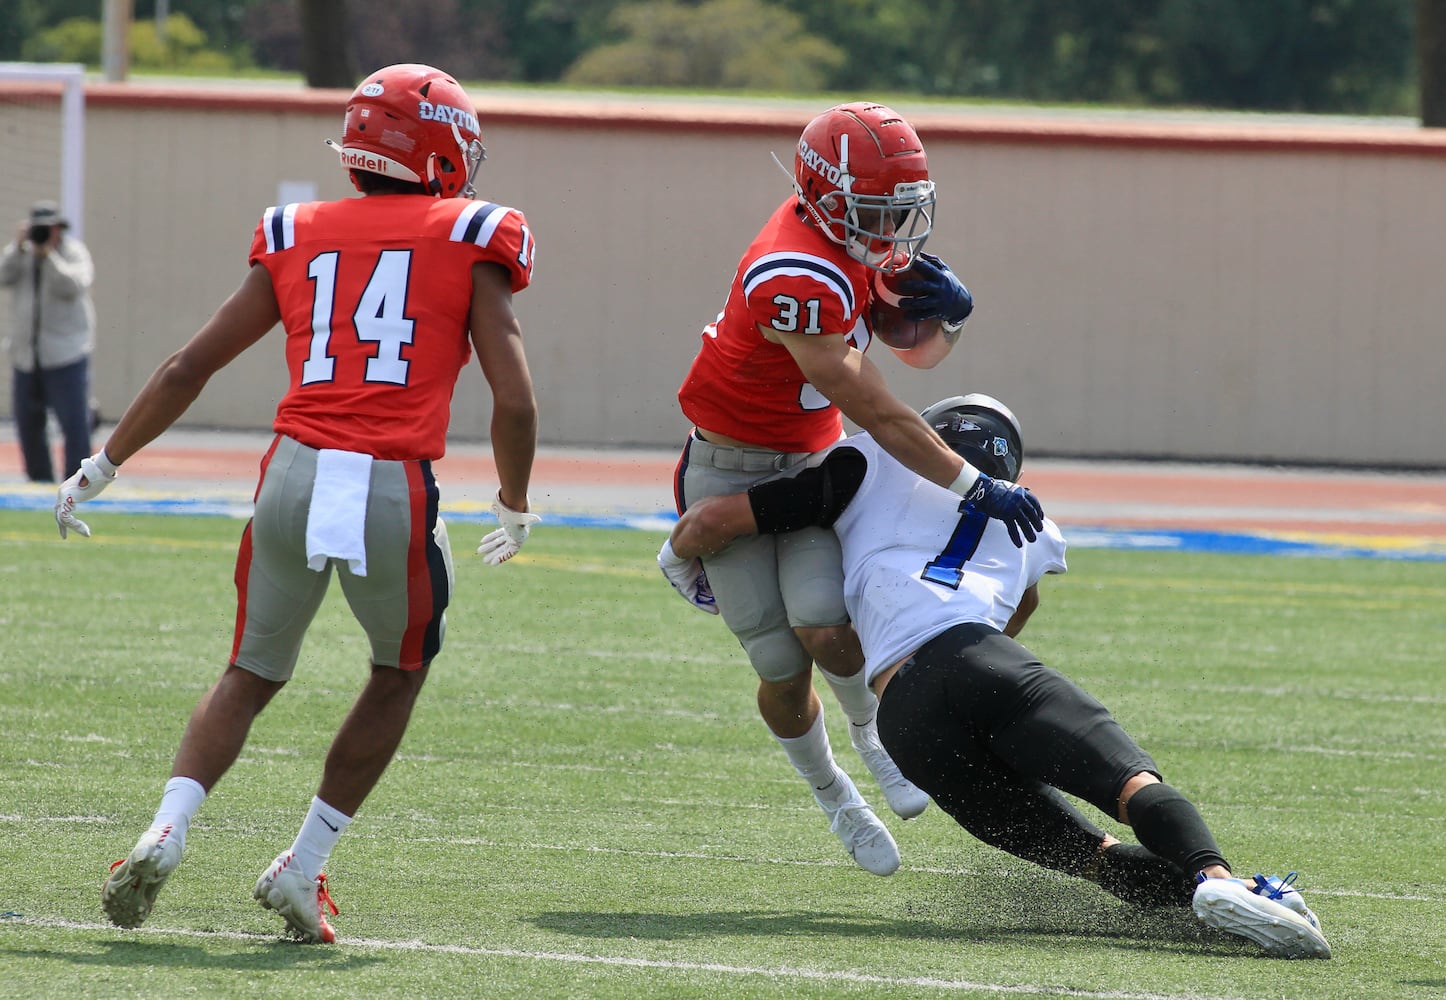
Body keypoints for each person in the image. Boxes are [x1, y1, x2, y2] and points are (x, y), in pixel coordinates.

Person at [55, 63, 542, 943]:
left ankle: (166, 827)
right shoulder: (475, 231)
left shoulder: (295, 230)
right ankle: (304, 865)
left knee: (249, 670)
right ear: (439, 152)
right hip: (390, 481)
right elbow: (514, 399)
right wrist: (513, 500)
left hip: (290, 471)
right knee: (398, 671)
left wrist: (104, 462)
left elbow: (185, 367)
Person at [662, 393, 1332, 960]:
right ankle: (1216, 876)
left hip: (904, 718)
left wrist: (680, 556)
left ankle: (1223, 910)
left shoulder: (868, 460)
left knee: (1091, 857)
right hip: (979, 657)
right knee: (1130, 786)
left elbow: (717, 520)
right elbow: (1024, 605)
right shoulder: (1035, 525)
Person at [664, 101, 1043, 876]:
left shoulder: (841, 238)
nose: (891, 227)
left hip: (808, 467)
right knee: (778, 661)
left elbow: (915, 357)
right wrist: (972, 485)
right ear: (829, 196)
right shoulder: (794, 270)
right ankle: (834, 792)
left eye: (898, 208)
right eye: (876, 209)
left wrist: (950, 321)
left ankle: (873, 737)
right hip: (729, 463)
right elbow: (876, 405)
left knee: (826, 619)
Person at [1, 200, 97, 482]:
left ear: (59, 229)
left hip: (65, 354)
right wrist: (19, 248)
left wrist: (48, 256)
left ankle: (76, 482)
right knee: (28, 424)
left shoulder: (73, 253)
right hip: (26, 356)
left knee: (74, 424)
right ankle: (39, 481)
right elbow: (3, 276)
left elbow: (73, 286)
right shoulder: (21, 253)